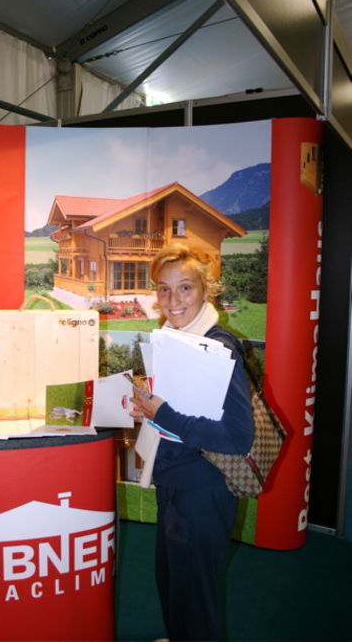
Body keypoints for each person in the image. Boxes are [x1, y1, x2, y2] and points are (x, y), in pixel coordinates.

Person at [130, 241, 254, 642]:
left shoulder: (218, 348)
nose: (173, 300)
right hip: (175, 482)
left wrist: (163, 414)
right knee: (173, 582)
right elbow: (181, 410)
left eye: (185, 288)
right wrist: (148, 411)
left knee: (195, 594)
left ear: (205, 289)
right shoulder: (173, 340)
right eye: (164, 289)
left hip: (203, 490)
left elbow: (237, 437)